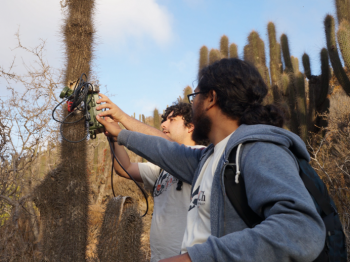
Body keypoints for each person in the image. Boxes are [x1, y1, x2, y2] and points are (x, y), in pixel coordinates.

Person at [96, 58, 326, 262]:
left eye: (195, 97)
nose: (192, 105)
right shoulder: (208, 157)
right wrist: (119, 132)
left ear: (211, 98)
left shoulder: (258, 148)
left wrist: (194, 258)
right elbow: (163, 150)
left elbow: (301, 229)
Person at [97, 100, 207, 262]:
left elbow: (165, 145)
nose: (163, 124)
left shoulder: (201, 156)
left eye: (172, 120)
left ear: (191, 127)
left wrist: (122, 119)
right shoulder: (161, 167)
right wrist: (114, 137)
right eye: (164, 120)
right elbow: (124, 167)